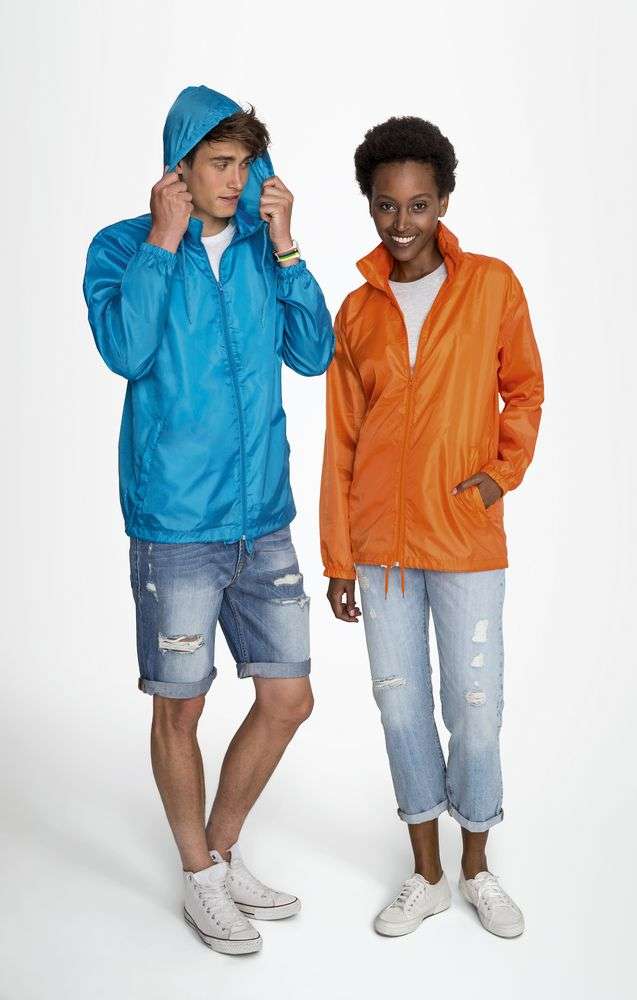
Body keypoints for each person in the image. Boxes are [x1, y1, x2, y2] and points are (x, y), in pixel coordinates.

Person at [83, 85, 334, 955]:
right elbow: (126, 350)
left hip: (262, 518)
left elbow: (314, 354)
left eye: (245, 164)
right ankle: (197, 875)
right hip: (176, 523)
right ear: (179, 168)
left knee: (288, 697)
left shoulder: (265, 250)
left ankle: (220, 853)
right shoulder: (122, 246)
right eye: (219, 163)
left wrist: (288, 245)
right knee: (180, 709)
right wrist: (162, 241)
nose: (235, 179)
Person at [320, 116, 543, 939]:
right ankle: (426, 876)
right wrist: (337, 557)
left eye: (418, 204)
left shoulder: (490, 286)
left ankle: (477, 869)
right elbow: (341, 439)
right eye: (386, 205)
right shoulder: (357, 310)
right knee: (401, 709)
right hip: (379, 551)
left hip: (465, 540)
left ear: (443, 202)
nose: (401, 222)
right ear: (369, 205)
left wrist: (497, 477)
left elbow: (525, 389)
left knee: (474, 709)